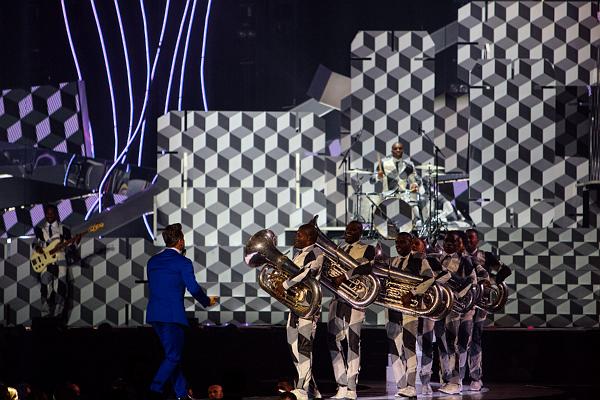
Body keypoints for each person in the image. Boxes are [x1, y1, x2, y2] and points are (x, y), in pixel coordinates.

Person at [146, 223, 218, 400]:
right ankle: (154, 389)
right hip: (172, 317)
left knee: (172, 356)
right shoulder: (183, 262)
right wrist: (206, 301)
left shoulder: (152, 261)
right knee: (173, 356)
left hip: (155, 315)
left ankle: (182, 393)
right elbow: (193, 288)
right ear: (180, 241)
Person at [274, 224, 325, 400]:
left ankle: (302, 389)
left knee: (304, 349)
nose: (297, 237)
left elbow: (307, 272)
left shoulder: (317, 253)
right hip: (296, 307)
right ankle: (313, 390)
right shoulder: (298, 254)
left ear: (310, 238)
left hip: (308, 307)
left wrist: (285, 284)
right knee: (294, 347)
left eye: (300, 235)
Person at [327, 221, 375, 400]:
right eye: (348, 228)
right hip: (337, 298)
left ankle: (351, 387)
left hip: (356, 299)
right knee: (332, 340)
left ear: (361, 232)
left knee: (353, 342)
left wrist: (345, 275)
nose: (349, 231)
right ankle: (341, 385)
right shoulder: (339, 248)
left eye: (354, 229)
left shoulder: (367, 248)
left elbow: (367, 267)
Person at [384, 232, 434, 397]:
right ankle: (401, 386)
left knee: (409, 346)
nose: (398, 245)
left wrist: (412, 293)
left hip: (409, 310)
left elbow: (429, 279)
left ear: (411, 243)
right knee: (394, 348)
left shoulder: (419, 260)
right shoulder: (392, 261)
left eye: (402, 242)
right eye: (397, 242)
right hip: (392, 310)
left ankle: (411, 386)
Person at [437, 231, 487, 395]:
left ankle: (456, 381)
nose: (448, 244)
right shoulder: (440, 259)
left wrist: (460, 292)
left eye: (454, 242)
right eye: (446, 241)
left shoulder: (467, 260)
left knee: (460, 344)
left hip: (462, 308)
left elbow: (478, 279)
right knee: (447, 344)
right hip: (445, 308)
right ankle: (449, 379)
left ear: (461, 244)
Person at [464, 228, 511, 392]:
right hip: (462, 303)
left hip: (479, 304)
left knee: (475, 338)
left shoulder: (486, 256)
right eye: (466, 238)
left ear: (477, 240)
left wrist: (493, 282)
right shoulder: (458, 255)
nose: (468, 241)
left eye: (471, 238)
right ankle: (456, 378)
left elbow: (505, 270)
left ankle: (476, 378)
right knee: (461, 340)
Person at [32, 204, 80, 321]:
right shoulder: (39, 230)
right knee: (45, 289)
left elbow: (71, 247)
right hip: (45, 263)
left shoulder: (64, 229)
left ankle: (59, 316)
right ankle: (45, 315)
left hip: (60, 262)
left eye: (51, 213)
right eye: (47, 213)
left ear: (56, 214)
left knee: (61, 289)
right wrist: (38, 248)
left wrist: (76, 242)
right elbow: (34, 243)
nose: (49, 215)